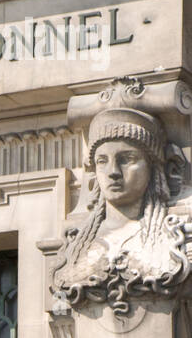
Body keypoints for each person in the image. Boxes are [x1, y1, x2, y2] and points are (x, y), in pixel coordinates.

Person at [52, 106, 191, 313]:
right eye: (102, 161)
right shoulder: (75, 248)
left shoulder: (176, 239)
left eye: (126, 159)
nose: (113, 172)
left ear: (153, 167)